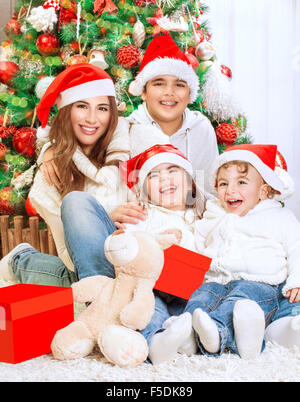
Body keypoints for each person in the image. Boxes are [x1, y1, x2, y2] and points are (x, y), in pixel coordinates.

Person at [43, 34, 218, 281]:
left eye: (179, 84)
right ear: (143, 92)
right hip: (130, 237)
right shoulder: (124, 128)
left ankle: (31, 264)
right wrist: (50, 150)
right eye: (158, 83)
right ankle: (101, 289)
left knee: (177, 276)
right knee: (76, 203)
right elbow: (83, 133)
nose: (169, 93)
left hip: (181, 235)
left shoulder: (196, 130)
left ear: (190, 92)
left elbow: (211, 194)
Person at [0, 63, 134, 286]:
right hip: (91, 271)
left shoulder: (132, 141)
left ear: (112, 113)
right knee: (75, 203)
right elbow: (72, 259)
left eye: (102, 108)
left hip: (141, 258)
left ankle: (23, 262)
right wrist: (104, 220)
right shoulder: (51, 176)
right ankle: (100, 301)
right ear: (67, 112)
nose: (92, 119)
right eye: (82, 106)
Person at [175, 144, 300, 360]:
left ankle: (221, 333)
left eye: (241, 182)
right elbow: (197, 243)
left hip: (259, 283)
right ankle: (187, 335)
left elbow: (296, 248)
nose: (230, 191)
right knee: (200, 299)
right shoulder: (215, 216)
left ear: (264, 191)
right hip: (216, 282)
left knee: (241, 302)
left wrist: (296, 280)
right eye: (223, 184)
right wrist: (179, 241)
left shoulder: (279, 217)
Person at [116, 143, 205, 365]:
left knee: (206, 304)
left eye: (173, 171)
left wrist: (183, 239)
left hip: (193, 289)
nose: (165, 179)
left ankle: (191, 336)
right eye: (154, 176)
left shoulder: (203, 215)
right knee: (151, 309)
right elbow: (130, 245)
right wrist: (126, 239)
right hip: (155, 287)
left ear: (190, 183)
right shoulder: (145, 216)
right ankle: (156, 344)